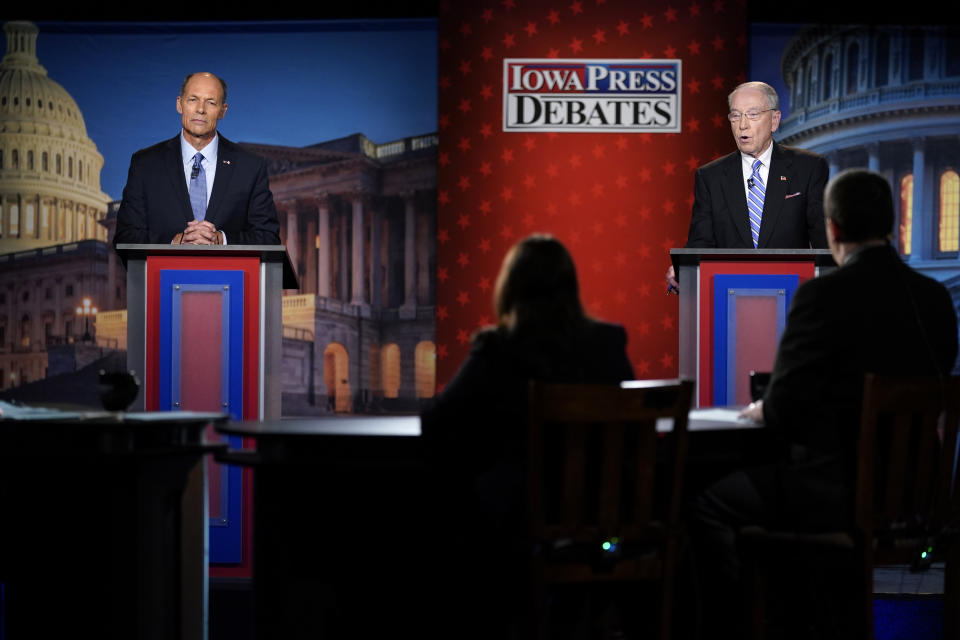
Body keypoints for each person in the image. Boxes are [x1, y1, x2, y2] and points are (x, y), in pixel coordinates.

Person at [689, 169, 958, 638]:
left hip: (836, 494)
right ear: (892, 226)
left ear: (832, 229)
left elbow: (784, 410)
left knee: (705, 501)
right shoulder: (936, 298)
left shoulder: (822, 295)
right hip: (918, 494)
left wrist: (762, 408)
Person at [420, 234, 635, 638]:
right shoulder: (607, 344)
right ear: (570, 286)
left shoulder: (499, 348)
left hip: (516, 531)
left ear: (510, 287)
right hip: (602, 522)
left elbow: (437, 421)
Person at [666, 81, 828, 291]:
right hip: (728, 295)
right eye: (735, 115)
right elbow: (701, 242)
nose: (742, 125)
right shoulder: (710, 176)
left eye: (752, 115)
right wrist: (683, 270)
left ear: (774, 120)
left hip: (792, 294)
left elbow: (823, 240)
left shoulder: (808, 168)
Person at [112, 72, 280, 248]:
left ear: (223, 111)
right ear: (179, 104)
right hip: (165, 273)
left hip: (228, 274)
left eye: (211, 102)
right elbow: (126, 237)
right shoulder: (146, 164)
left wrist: (221, 239)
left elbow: (268, 238)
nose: (201, 109)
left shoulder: (250, 167)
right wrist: (175, 242)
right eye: (193, 99)